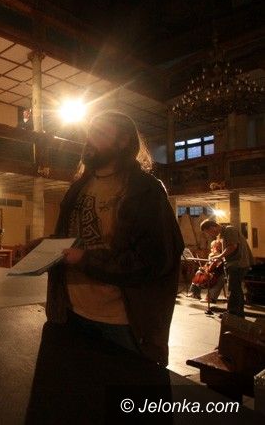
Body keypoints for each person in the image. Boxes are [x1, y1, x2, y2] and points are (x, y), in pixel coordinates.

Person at [48, 111, 183, 366]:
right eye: (90, 132)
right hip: (71, 312)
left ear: (123, 141)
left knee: (124, 389)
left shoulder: (145, 189)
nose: (90, 139)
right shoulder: (78, 187)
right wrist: (43, 248)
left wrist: (84, 259)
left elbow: (154, 260)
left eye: (100, 132)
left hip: (122, 322)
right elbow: (70, 239)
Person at [200, 219, 254, 317]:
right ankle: (238, 313)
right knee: (236, 289)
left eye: (208, 232)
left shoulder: (229, 230)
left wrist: (219, 256)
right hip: (235, 264)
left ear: (212, 227)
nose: (210, 235)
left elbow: (232, 246)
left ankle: (232, 313)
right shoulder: (222, 234)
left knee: (233, 289)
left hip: (238, 264)